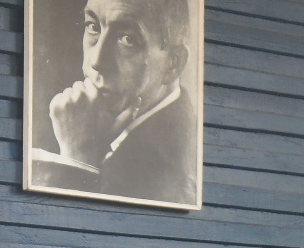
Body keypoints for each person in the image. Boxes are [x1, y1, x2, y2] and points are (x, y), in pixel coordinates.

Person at [29, 0, 199, 207]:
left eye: (127, 39)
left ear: (173, 64)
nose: (96, 61)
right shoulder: (85, 117)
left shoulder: (172, 180)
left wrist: (78, 159)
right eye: (93, 27)